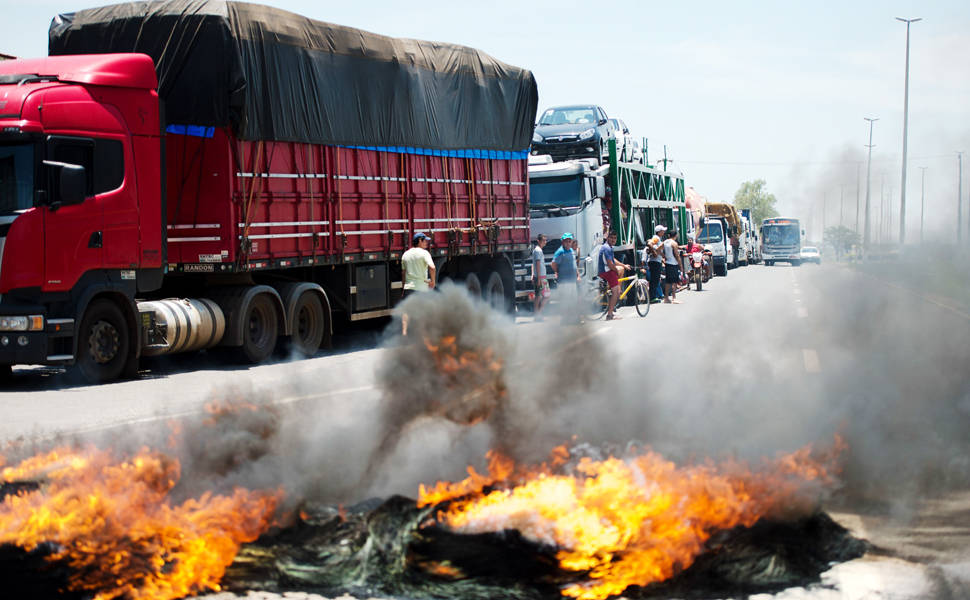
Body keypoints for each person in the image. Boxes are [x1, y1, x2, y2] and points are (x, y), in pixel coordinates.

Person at [400, 232, 436, 335]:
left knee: (406, 311)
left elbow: (403, 273)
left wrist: (403, 288)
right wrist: (433, 281)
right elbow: (432, 267)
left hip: (408, 287)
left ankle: (404, 332)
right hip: (421, 288)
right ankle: (422, 334)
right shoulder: (424, 253)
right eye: (425, 241)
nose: (426, 243)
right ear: (419, 241)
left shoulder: (405, 254)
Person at [597, 230, 630, 320]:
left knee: (621, 269)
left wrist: (623, 265)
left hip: (606, 270)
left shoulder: (608, 247)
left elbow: (613, 260)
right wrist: (616, 271)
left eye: (615, 238)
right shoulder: (607, 248)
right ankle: (610, 314)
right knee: (616, 292)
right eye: (611, 238)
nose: (613, 240)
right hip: (606, 271)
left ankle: (616, 289)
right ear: (607, 238)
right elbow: (610, 264)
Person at [551, 232, 581, 323]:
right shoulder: (560, 252)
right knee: (565, 301)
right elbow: (553, 264)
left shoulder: (571, 251)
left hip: (572, 281)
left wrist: (578, 275)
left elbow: (574, 265)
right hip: (564, 282)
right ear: (562, 242)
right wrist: (558, 271)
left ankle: (574, 318)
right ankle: (564, 319)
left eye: (569, 241)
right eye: (566, 241)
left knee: (573, 300)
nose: (568, 243)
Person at [531, 234, 550, 320]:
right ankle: (538, 313)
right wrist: (538, 278)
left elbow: (533, 264)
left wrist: (533, 274)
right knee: (544, 295)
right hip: (541, 277)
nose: (545, 242)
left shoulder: (537, 250)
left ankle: (537, 314)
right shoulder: (538, 251)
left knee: (538, 295)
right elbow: (537, 264)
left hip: (540, 276)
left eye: (546, 240)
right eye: (543, 240)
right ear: (538, 241)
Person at [662, 229, 682, 304]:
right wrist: (680, 265)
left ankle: (666, 298)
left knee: (668, 281)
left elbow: (658, 250)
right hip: (673, 264)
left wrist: (664, 256)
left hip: (667, 263)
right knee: (674, 281)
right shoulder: (674, 243)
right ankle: (674, 298)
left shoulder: (665, 242)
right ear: (676, 235)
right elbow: (677, 255)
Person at [647, 226, 665, 302]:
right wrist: (654, 253)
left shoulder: (658, 239)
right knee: (654, 280)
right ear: (659, 231)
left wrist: (663, 257)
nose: (664, 232)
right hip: (655, 262)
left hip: (657, 261)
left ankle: (654, 296)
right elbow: (649, 244)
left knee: (656, 279)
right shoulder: (656, 238)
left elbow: (658, 250)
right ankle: (652, 297)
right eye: (663, 230)